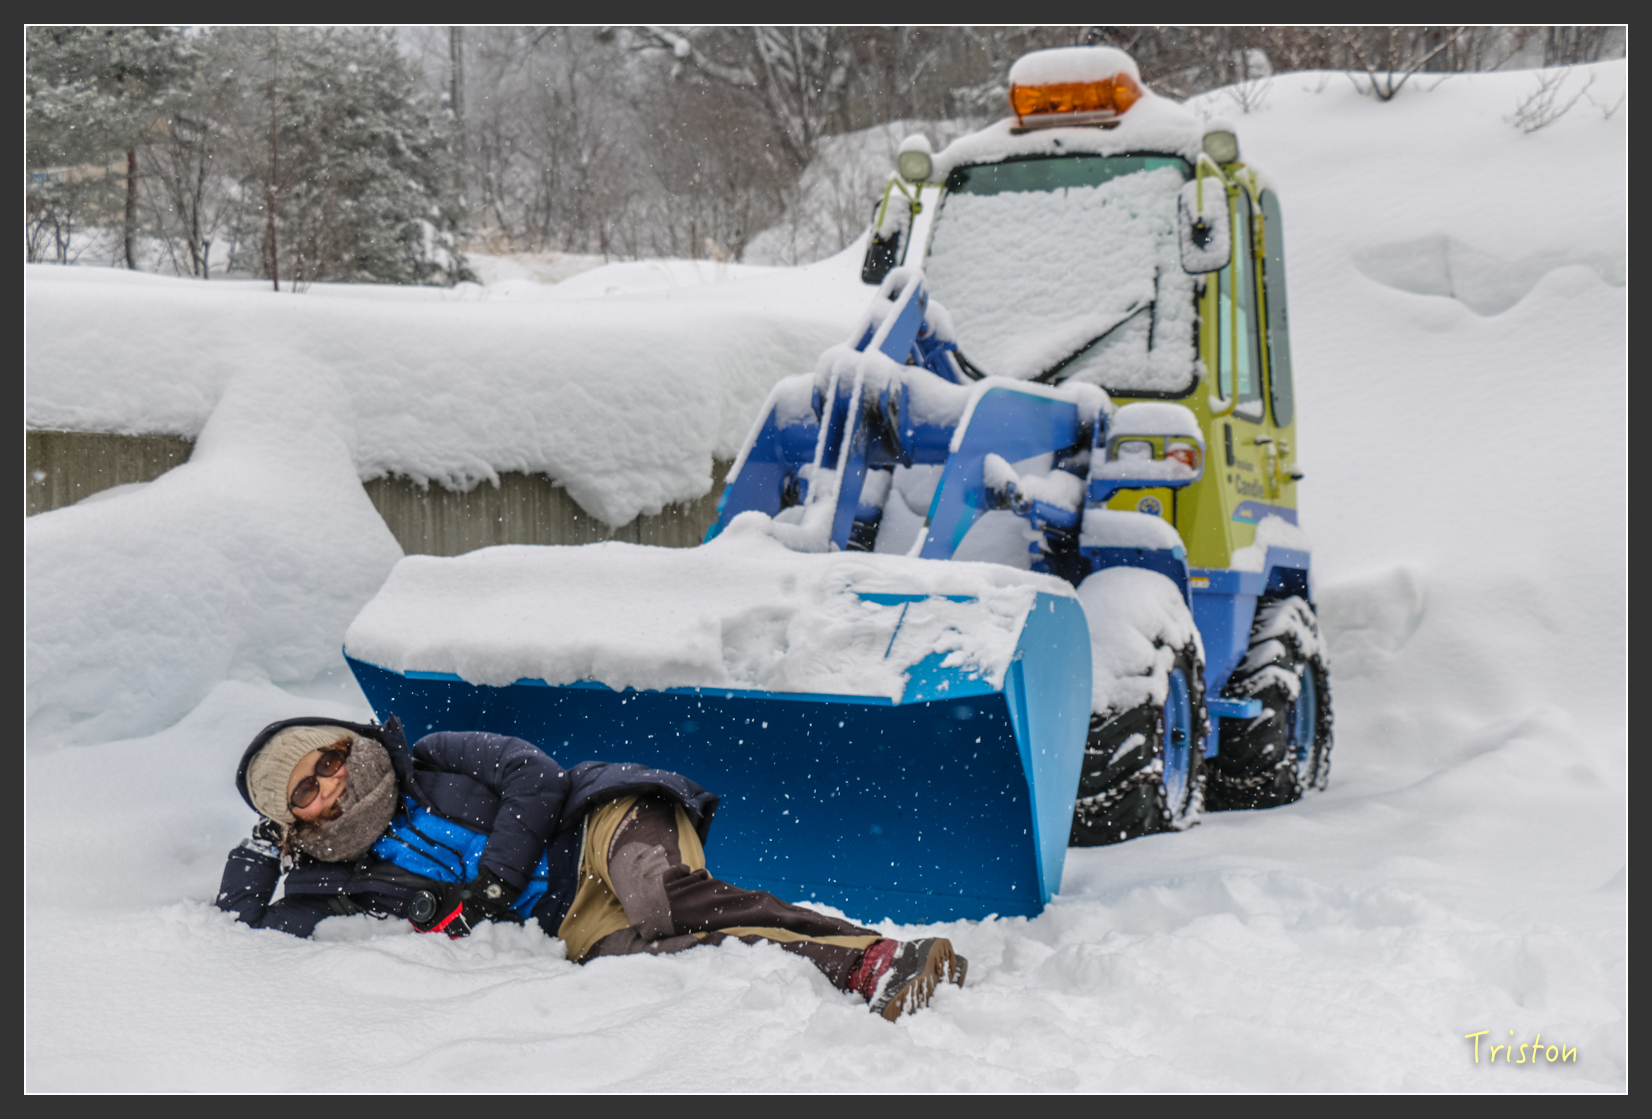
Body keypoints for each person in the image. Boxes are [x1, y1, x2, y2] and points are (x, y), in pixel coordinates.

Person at [216, 715, 966, 1019]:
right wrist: (256, 848)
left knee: (663, 896)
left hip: (600, 819)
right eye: (304, 792)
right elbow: (247, 927)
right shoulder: (330, 878)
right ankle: (870, 973)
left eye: (329, 759)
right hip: (567, 917)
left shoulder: (431, 753)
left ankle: (875, 948)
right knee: (665, 952)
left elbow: (536, 776)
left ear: (343, 740)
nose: (331, 783)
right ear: (293, 819)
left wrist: (495, 884)